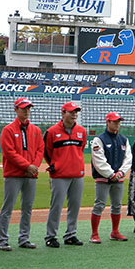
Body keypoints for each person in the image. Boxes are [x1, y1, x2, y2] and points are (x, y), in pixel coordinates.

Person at [0, 97, 43, 250]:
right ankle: (2, 240)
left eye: (28, 108)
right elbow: (9, 152)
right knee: (8, 207)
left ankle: (24, 238)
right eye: (23, 108)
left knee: (27, 208)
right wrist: (27, 166)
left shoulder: (36, 130)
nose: (26, 111)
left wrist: (34, 166)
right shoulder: (8, 130)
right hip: (13, 174)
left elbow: (40, 150)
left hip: (31, 175)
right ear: (16, 109)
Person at [44, 101, 88, 246]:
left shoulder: (82, 131)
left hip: (77, 173)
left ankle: (70, 234)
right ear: (63, 113)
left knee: (75, 205)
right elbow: (46, 151)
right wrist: (55, 165)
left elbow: (80, 149)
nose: (75, 114)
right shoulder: (51, 132)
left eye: (76, 112)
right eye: (71, 112)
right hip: (59, 175)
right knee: (56, 205)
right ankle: (51, 236)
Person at [89, 111, 132, 243]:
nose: (117, 124)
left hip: (118, 178)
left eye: (119, 122)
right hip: (103, 178)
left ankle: (115, 232)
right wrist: (110, 173)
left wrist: (121, 173)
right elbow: (98, 160)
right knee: (99, 204)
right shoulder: (99, 139)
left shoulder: (124, 139)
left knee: (117, 205)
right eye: (115, 121)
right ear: (107, 122)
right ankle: (94, 234)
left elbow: (128, 158)